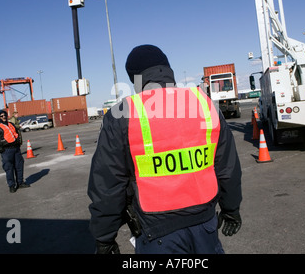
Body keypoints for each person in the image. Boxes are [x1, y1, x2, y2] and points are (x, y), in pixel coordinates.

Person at [87, 44, 242, 254]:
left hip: (157, 234)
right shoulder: (204, 104)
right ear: (168, 70)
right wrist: (231, 209)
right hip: (205, 225)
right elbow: (227, 166)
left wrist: (105, 237)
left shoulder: (123, 114)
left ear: (135, 79)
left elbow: (108, 183)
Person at [0, 110, 30, 193]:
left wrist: (19, 143)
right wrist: (2, 150)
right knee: (9, 168)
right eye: (1, 116)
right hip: (7, 151)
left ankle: (20, 183)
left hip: (16, 149)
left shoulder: (11, 124)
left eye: (5, 115)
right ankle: (11, 185)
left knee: (19, 166)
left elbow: (17, 133)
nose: (4, 117)